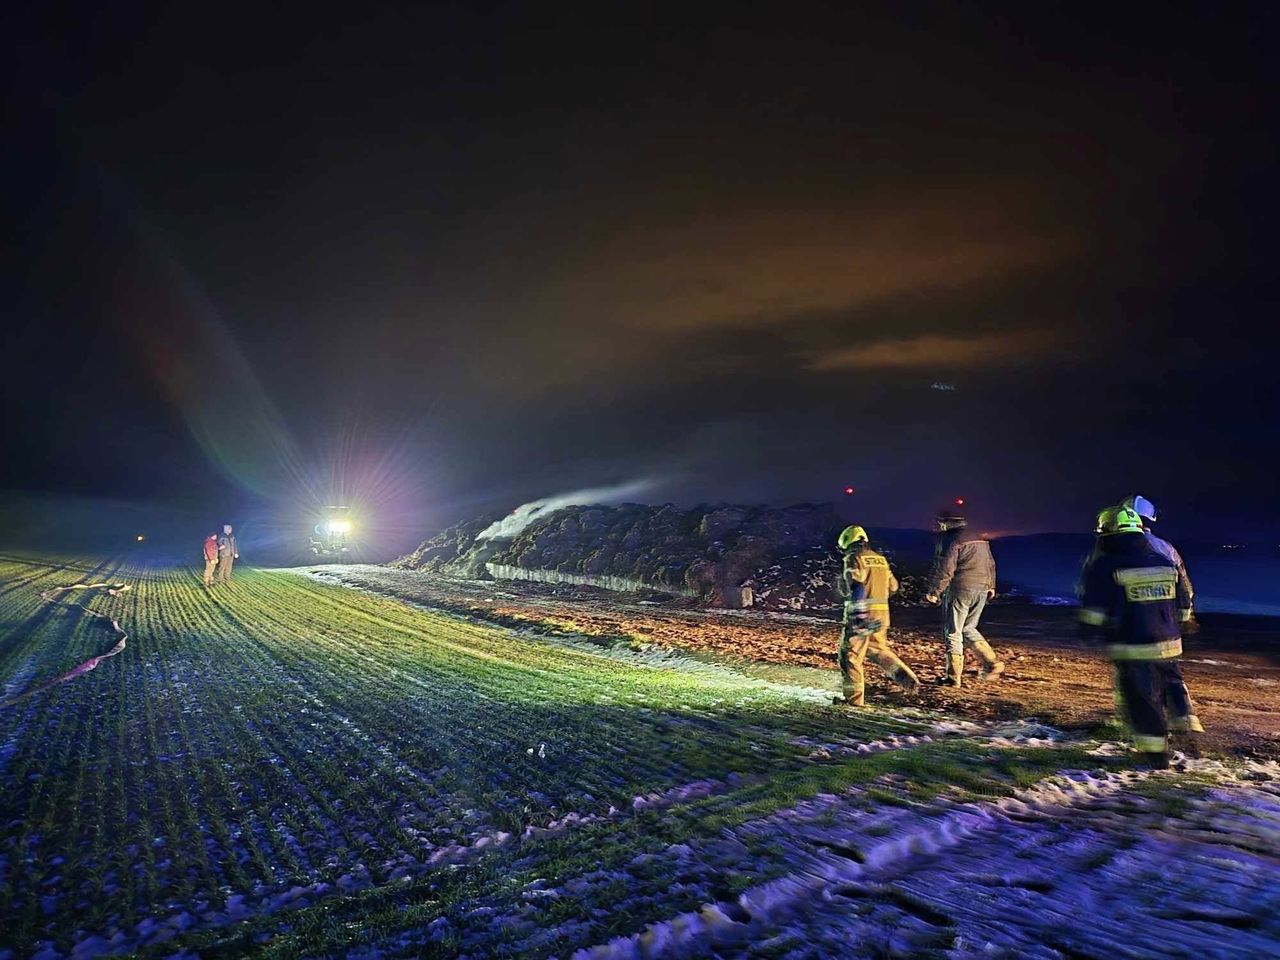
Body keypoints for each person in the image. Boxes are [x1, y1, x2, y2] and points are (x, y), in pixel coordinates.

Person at [1078, 506, 1194, 768]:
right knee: (1171, 685)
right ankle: (1185, 725)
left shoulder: (1105, 565)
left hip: (1133, 645)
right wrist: (1182, 624)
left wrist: (1088, 632)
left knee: (1142, 699)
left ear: (1107, 535)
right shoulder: (1164, 562)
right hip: (1170, 644)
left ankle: (1155, 756)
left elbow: (1094, 610)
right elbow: (1184, 602)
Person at [1121, 494, 1203, 735]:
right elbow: (1184, 589)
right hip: (1167, 628)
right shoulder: (1167, 549)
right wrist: (1185, 617)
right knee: (1171, 674)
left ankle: (1150, 733)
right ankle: (1186, 721)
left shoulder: (1120, 549)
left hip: (1135, 629)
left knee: (1139, 681)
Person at [833, 525, 920, 706]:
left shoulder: (853, 558)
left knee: (850, 657)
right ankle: (906, 677)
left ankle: (853, 701)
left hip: (862, 615)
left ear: (848, 542)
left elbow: (857, 586)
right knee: (876, 649)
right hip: (882, 615)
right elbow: (894, 586)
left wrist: (860, 616)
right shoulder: (880, 559)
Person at [924, 507, 1003, 686]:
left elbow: (945, 568)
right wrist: (991, 585)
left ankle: (953, 678)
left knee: (953, 632)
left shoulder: (950, 539)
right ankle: (991, 663)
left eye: (940, 523)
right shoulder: (979, 537)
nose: (939, 526)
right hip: (982, 588)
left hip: (961, 588)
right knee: (969, 628)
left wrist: (934, 591)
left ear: (947, 523)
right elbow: (990, 563)